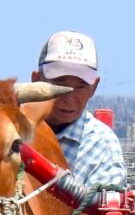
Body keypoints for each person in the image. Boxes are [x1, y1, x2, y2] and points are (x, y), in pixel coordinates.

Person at [32, 30, 127, 190]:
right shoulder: (12, 131)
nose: (69, 98)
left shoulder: (101, 145)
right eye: (59, 85)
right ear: (36, 81)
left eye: (80, 87)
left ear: (94, 87)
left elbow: (105, 205)